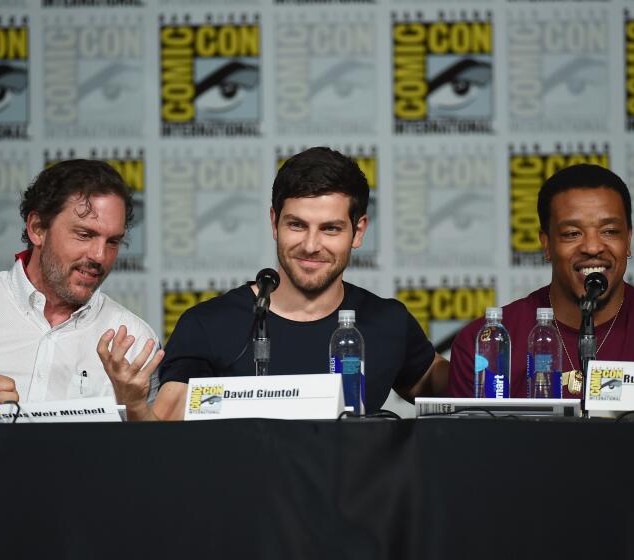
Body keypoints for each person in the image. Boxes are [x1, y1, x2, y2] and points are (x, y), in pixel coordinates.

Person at [127, 147, 449, 420]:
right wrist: (134, 405)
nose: (310, 245)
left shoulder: (388, 322)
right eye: (296, 225)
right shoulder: (207, 325)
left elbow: (459, 391)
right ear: (274, 222)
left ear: (359, 231)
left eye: (331, 229)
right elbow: (162, 434)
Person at [0, 159, 163, 422]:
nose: (100, 255)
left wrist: (133, 407)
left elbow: (153, 457)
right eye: (84, 235)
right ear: (37, 229)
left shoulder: (134, 339)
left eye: (113, 241)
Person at [449, 164, 634, 398]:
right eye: (572, 234)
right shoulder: (488, 343)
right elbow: (471, 456)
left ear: (628, 240)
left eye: (609, 231)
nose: (593, 247)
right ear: (546, 244)